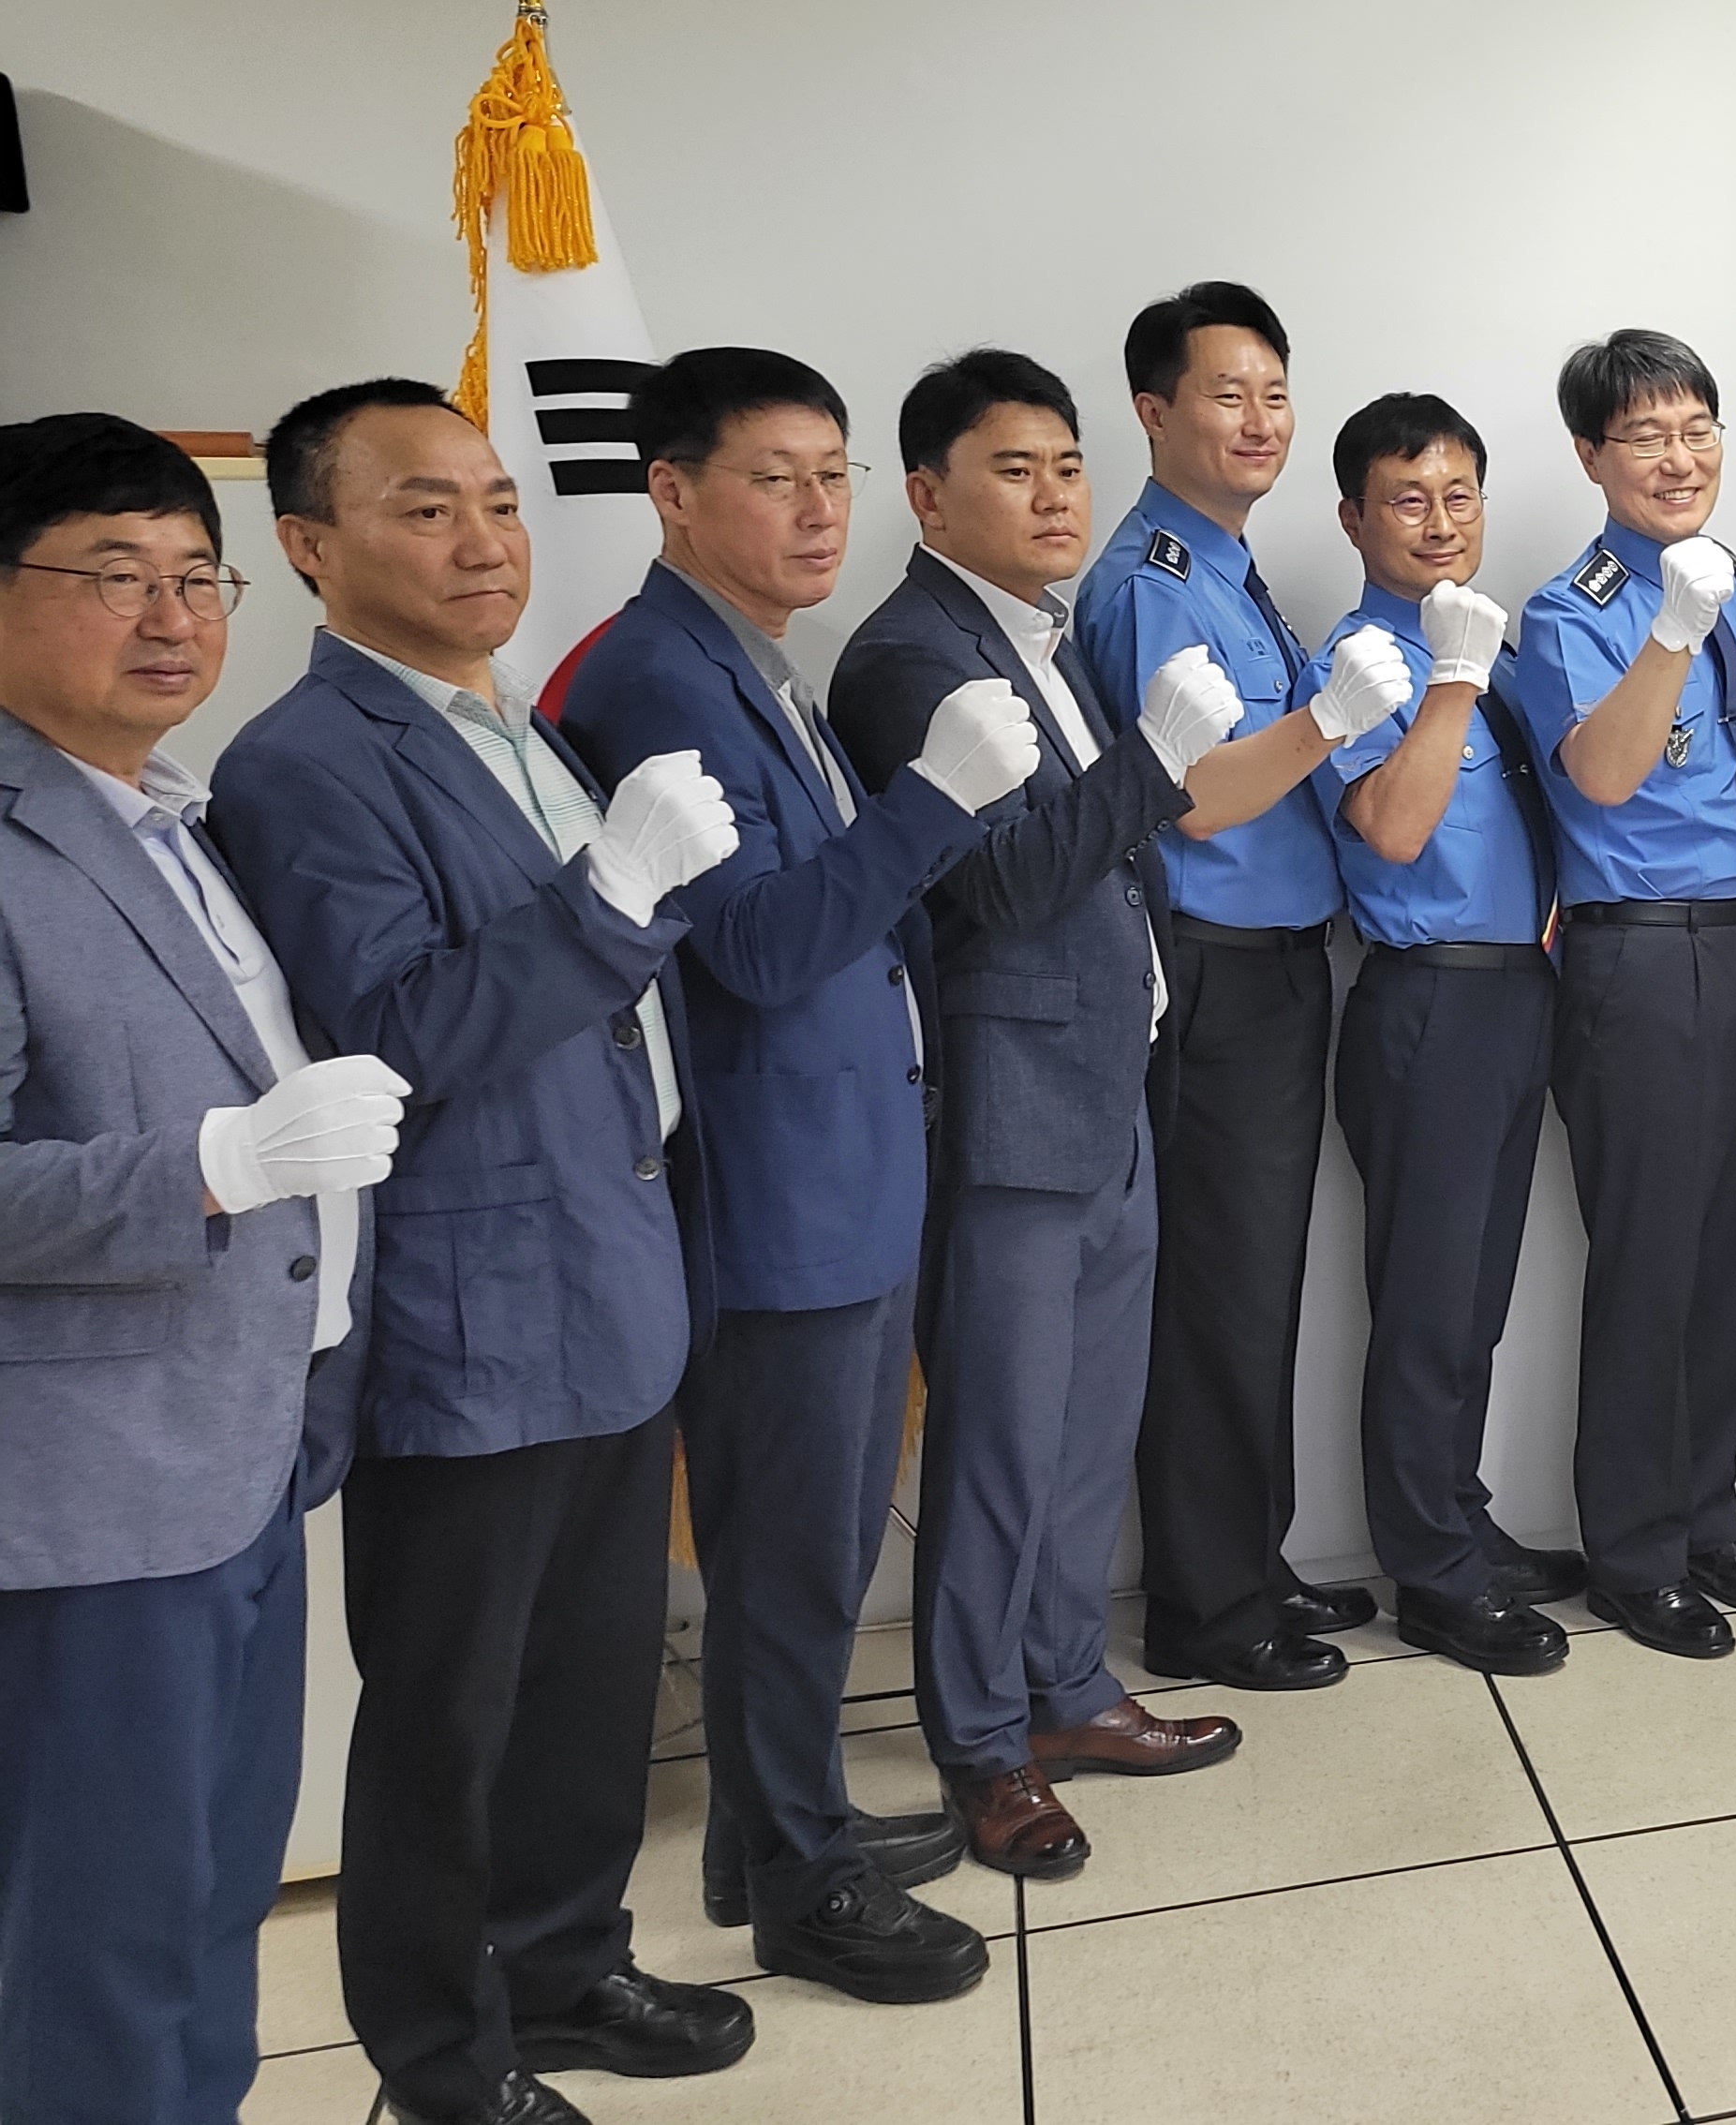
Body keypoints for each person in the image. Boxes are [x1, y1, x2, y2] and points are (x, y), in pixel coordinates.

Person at [215, 381, 750, 2125]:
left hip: (612, 1268)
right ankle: (442, 2059)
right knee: (450, 1714)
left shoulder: (522, 730)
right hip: (471, 1309)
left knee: (593, 1681)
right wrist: (611, 896)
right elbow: (397, 1026)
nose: (483, 542)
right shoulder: (304, 763)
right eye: (424, 508)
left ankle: (570, 1966)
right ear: (309, 545)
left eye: (500, 502)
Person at [551, 349, 1003, 1999]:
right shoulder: (661, 678)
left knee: (811, 1542)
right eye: (775, 478)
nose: (819, 511)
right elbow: (756, 947)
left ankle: (768, 1830)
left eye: (834, 475)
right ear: (673, 494)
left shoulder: (750, 655)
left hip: (843, 1166)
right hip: (774, 1188)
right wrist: (935, 802)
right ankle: (805, 1888)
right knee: (793, 1550)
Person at [826, 350, 1282, 1885]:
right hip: (1011, 1101)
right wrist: (1156, 761)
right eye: (1013, 470)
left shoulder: (1041, 630)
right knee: (1002, 1442)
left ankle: (1068, 1686)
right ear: (927, 494)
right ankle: (979, 1741)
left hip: (1107, 1083)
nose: (1053, 495)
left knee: (1088, 1430)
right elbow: (1005, 884)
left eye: (1067, 466)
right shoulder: (910, 656)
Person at [0, 413, 401, 2125]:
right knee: (101, 1941)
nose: (170, 618)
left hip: (235, 1446)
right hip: (90, 1504)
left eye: (195, 578)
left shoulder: (171, 814)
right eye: (114, 576)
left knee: (212, 1899)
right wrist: (215, 1166)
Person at [1077, 281, 1382, 1691]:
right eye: (1226, 394)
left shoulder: (1228, 568)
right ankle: (1206, 1605)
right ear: (1154, 412)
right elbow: (1195, 797)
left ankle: (1250, 1561)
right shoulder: (1152, 580)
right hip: (1209, 973)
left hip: (1275, 969)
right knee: (1216, 1292)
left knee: (1257, 1286)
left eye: (1274, 394)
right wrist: (1329, 721)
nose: (1259, 421)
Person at [1502, 328, 1736, 1659]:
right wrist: (1672, 634)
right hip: (1639, 956)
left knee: (1732, 1258)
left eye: (1696, 430)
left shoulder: (1732, 584)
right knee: (1650, 1265)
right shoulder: (1569, 612)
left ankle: (1708, 1520)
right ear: (1592, 456)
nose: (1678, 459)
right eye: (1645, 436)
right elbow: (1608, 774)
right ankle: (1634, 1554)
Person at [1300, 392, 1589, 1675]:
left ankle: (1460, 1518)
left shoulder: (1495, 646)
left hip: (1521, 992)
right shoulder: (1362, 665)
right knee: (1426, 1304)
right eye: (1406, 499)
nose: (1437, 521)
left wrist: (1475, 666)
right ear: (1353, 518)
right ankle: (1430, 1574)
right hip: (1429, 999)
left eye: (1458, 494)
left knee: (1475, 1298)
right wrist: (1453, 683)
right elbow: (1397, 829)